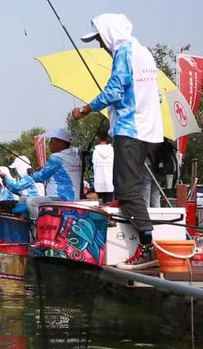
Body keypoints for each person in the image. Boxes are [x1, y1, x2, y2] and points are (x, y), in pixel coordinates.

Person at [73, 13, 163, 269]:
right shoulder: (144, 52)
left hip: (130, 130)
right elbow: (154, 95)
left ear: (110, 33)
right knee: (128, 187)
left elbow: (114, 90)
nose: (101, 45)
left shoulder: (123, 52)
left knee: (126, 189)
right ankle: (132, 219)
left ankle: (147, 246)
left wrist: (85, 110)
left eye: (100, 38)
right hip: (149, 131)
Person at [25, 129, 82, 219]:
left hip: (61, 198)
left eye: (52, 142)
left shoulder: (56, 157)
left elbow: (40, 177)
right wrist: (43, 169)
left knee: (30, 201)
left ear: (61, 143)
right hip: (75, 198)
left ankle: (42, 226)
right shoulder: (75, 156)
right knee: (23, 200)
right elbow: (60, 172)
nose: (49, 144)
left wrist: (32, 173)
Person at [92, 128, 115, 204]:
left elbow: (93, 165)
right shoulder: (112, 150)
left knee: (100, 207)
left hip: (99, 183)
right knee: (109, 206)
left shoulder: (95, 151)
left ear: (97, 137)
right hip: (109, 183)